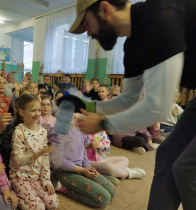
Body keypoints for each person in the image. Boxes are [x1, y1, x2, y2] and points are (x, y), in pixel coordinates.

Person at [70, 0, 196, 209]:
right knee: (166, 156)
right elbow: (129, 98)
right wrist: (89, 107)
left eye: (86, 23)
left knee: (186, 168)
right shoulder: (133, 43)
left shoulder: (160, 18)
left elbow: (157, 107)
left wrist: (102, 124)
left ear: (104, 9)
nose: (88, 34)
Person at [49, 113, 115, 208]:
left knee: (112, 192)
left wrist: (87, 167)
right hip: (64, 172)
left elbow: (83, 151)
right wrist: (83, 170)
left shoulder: (79, 129)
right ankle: (64, 188)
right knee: (104, 199)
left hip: (81, 168)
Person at [10, 94, 59, 210]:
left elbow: (45, 160)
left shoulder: (42, 131)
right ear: (22, 112)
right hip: (20, 177)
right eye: (33, 111)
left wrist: (46, 180)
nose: (37, 113)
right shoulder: (19, 132)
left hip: (35, 177)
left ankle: (30, 194)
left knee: (53, 203)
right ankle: (15, 192)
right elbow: (17, 161)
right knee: (39, 208)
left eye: (38, 110)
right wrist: (37, 154)